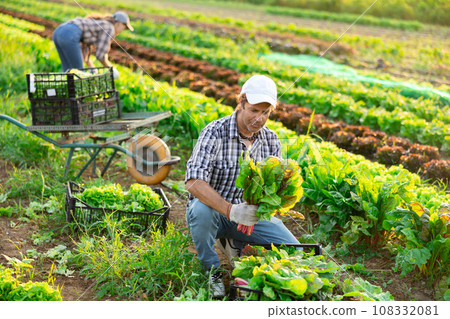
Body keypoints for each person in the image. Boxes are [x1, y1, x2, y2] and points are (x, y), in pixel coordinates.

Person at [185, 75, 300, 297]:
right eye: (254, 110)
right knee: (201, 210)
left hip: (248, 218)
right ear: (242, 101)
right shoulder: (215, 132)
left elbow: (271, 189)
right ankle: (212, 271)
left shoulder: (271, 140)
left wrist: (261, 209)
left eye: (265, 113)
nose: (259, 118)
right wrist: (231, 210)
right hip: (215, 214)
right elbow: (193, 182)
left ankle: (262, 265)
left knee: (294, 248)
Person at [52, 11, 134, 77]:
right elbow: (100, 55)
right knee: (78, 73)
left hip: (58, 32)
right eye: (124, 27)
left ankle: (67, 95)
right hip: (69, 34)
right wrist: (111, 69)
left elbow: (84, 49)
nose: (122, 31)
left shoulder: (99, 23)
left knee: (68, 71)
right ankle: (74, 96)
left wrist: (92, 68)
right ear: (119, 23)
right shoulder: (109, 28)